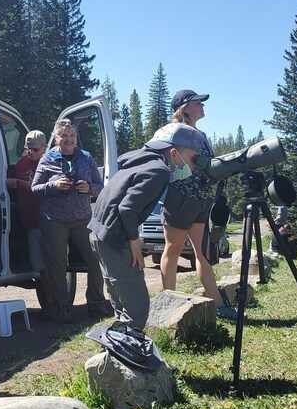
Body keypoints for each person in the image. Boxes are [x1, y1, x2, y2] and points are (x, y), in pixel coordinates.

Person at [89, 123, 206, 329]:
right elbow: (127, 209)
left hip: (98, 232)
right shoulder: (158, 170)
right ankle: (130, 348)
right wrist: (135, 243)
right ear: (173, 152)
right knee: (138, 307)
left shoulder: (141, 161)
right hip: (115, 236)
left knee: (119, 294)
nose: (194, 165)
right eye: (192, 158)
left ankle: (118, 345)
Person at [160, 90, 239, 321]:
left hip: (201, 200)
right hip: (179, 198)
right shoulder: (171, 131)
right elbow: (168, 163)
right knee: (172, 251)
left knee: (202, 254)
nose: (202, 106)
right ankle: (168, 305)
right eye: (197, 103)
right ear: (184, 108)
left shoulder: (201, 134)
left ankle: (218, 305)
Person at [31, 119, 110, 324]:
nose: (68, 140)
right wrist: (53, 185)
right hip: (54, 220)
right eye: (64, 136)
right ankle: (62, 307)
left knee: (95, 259)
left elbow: (101, 186)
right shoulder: (48, 158)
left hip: (82, 218)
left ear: (76, 138)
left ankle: (96, 303)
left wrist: (89, 188)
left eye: (72, 136)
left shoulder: (85, 157)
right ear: (56, 138)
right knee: (57, 265)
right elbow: (35, 188)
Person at [6, 130, 52, 315]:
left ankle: (56, 304)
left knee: (52, 264)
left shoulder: (51, 163)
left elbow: (37, 188)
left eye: (34, 149)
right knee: (38, 264)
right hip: (30, 223)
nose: (30, 152)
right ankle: (49, 304)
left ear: (44, 147)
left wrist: (17, 182)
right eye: (27, 148)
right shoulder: (21, 164)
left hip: (49, 222)